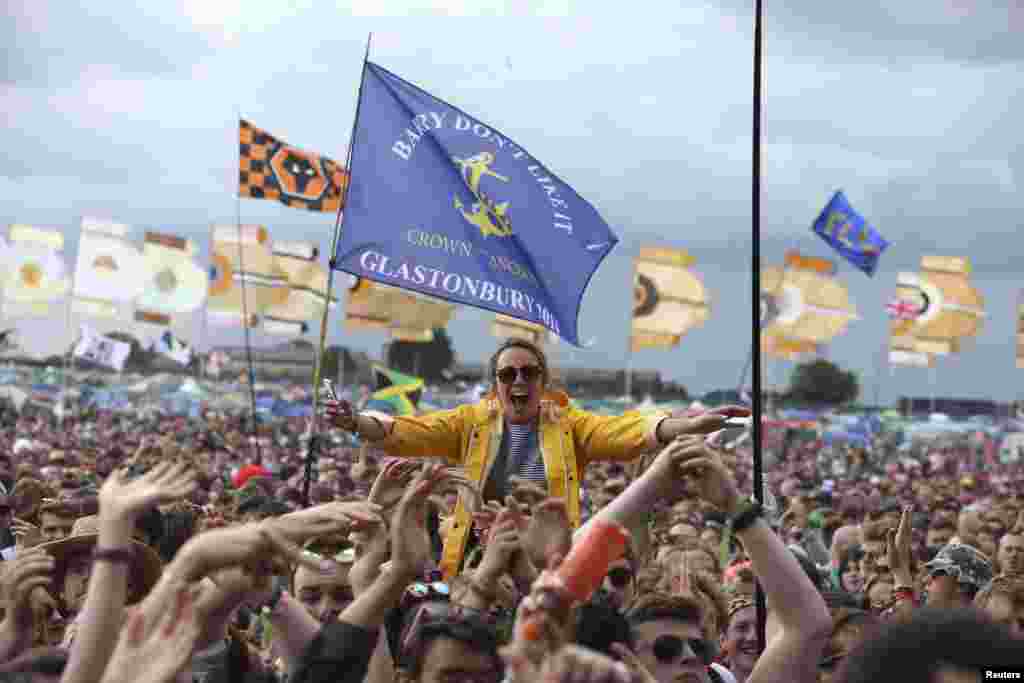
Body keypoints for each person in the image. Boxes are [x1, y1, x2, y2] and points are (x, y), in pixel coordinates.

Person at [325, 338, 746, 577]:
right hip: (471, 559)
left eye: (529, 372)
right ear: (496, 385)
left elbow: (627, 430)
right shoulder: (469, 421)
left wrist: (685, 424)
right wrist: (357, 421)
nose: (519, 380)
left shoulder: (571, 425)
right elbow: (408, 431)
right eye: (508, 374)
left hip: (548, 561)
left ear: (544, 382)